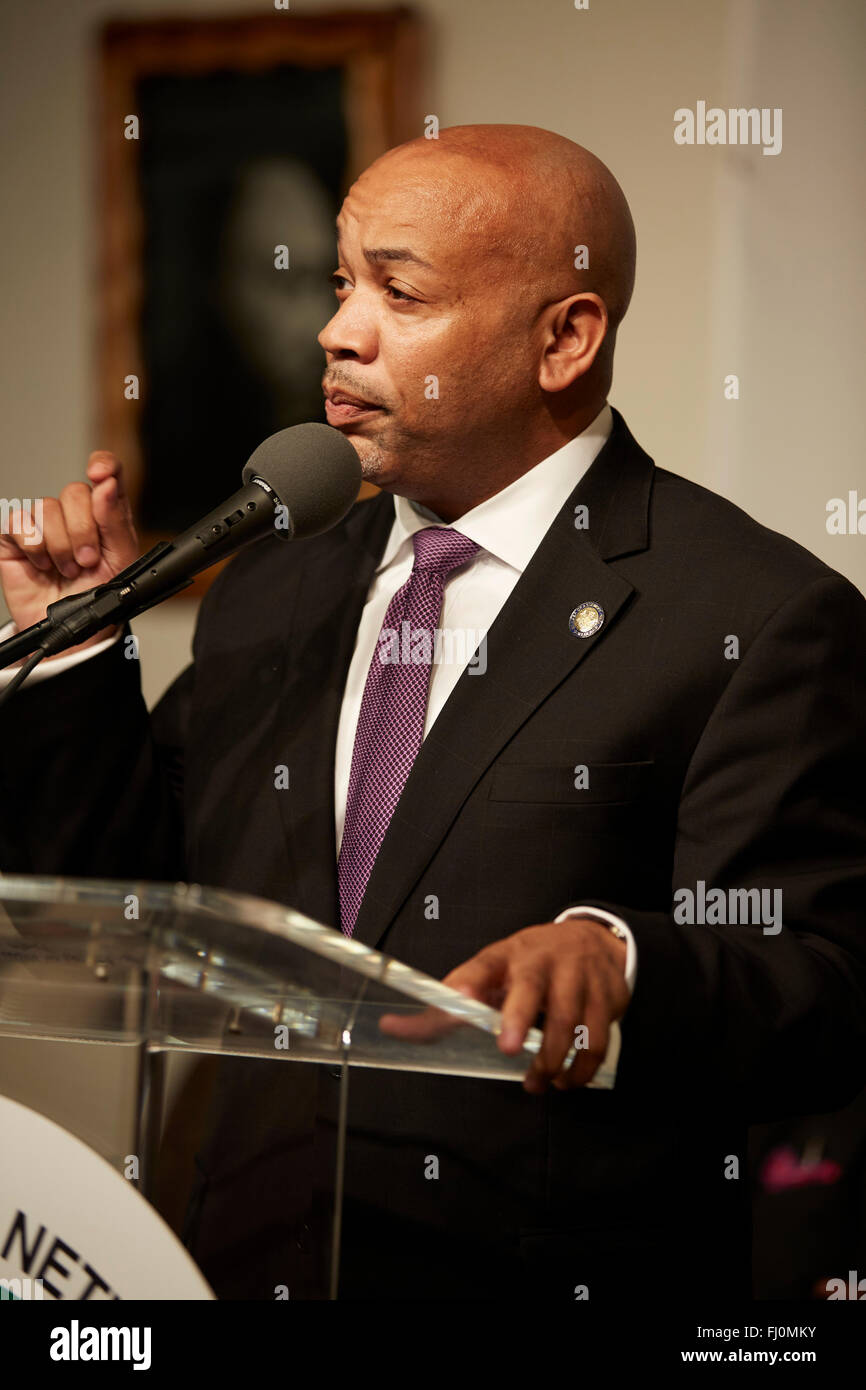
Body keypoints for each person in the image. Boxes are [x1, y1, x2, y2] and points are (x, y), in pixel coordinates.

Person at [1, 125, 864, 1302]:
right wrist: (78, 653)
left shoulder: (753, 614)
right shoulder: (279, 581)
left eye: (397, 292)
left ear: (563, 338)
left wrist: (620, 959)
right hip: (236, 1257)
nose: (336, 331)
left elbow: (816, 982)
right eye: (343, 282)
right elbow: (135, 902)